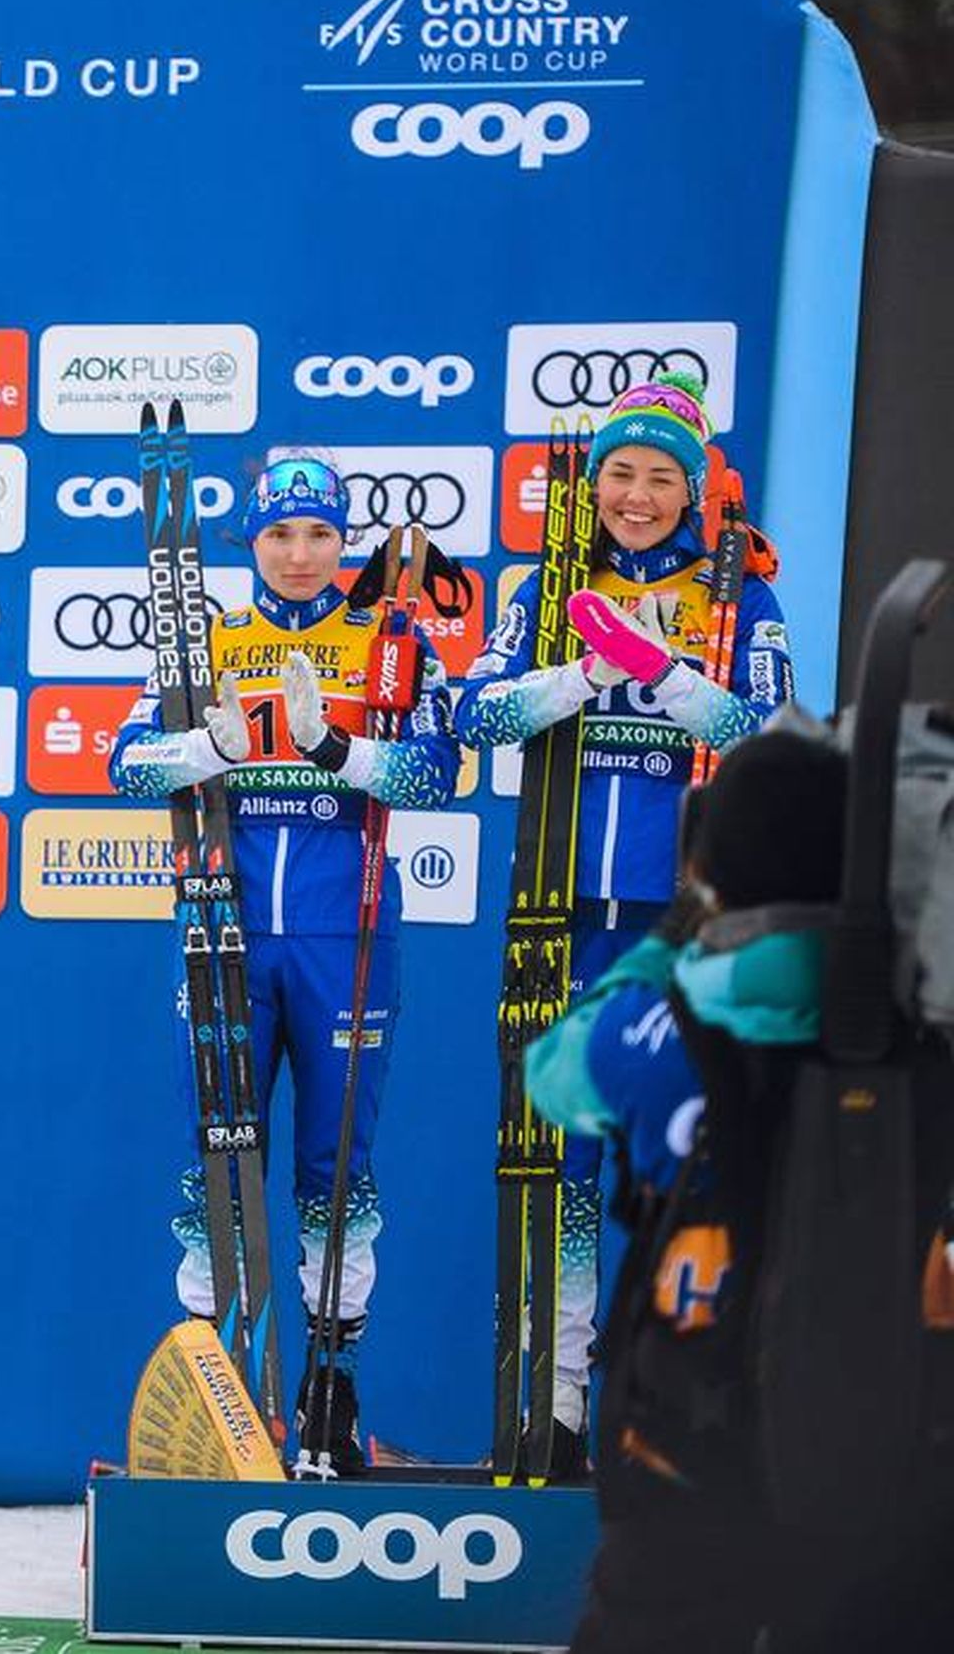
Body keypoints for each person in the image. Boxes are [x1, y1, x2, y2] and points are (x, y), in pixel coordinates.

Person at [528, 725, 954, 1650]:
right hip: (894, 1471)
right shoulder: (921, 1019)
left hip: (688, 1463)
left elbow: (554, 1073)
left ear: (708, 863)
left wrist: (673, 931)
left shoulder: (661, 1014)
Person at [456, 377, 792, 1470]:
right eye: (619, 472)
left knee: (671, 1160)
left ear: (693, 486)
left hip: (679, 925)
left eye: (661, 475)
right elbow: (478, 712)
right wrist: (586, 670)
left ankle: (660, 1408)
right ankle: (552, 1413)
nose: (637, 495)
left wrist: (667, 674)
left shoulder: (736, 589)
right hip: (556, 912)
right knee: (554, 1165)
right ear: (592, 481)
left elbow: (767, 735)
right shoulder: (547, 585)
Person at [109, 451, 461, 1468]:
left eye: (318, 534)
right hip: (223, 927)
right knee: (218, 1158)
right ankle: (220, 1393)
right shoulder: (208, 639)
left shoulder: (389, 639)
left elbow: (437, 772)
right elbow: (127, 761)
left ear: (343, 541)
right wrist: (209, 749)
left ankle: (330, 1394)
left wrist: (335, 748)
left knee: (336, 1165)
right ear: (250, 542)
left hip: (345, 935)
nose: (300, 555)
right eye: (279, 534)